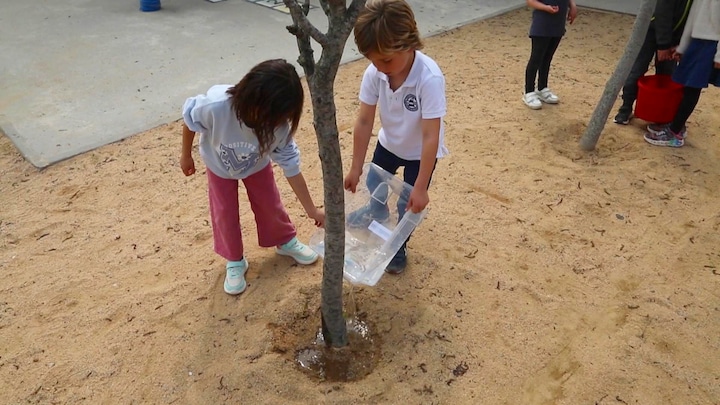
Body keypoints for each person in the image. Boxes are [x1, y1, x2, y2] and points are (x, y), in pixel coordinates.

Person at [180, 59, 325, 296]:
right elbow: (189, 120)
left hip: (257, 165)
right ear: (250, 98)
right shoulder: (216, 106)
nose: (271, 124)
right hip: (219, 166)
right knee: (224, 213)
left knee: (270, 204)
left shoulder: (279, 127)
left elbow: (291, 167)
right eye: (268, 116)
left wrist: (312, 210)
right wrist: (186, 155)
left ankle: (284, 240)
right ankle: (234, 260)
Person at [343, 0, 448, 275]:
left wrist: (421, 188)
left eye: (386, 59)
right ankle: (375, 213)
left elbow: (430, 136)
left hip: (419, 152)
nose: (378, 66)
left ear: (409, 43)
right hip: (389, 142)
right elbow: (365, 120)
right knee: (374, 182)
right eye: (372, 60)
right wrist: (355, 166)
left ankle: (398, 245)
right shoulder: (375, 72)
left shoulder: (429, 79)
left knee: (407, 203)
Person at [644, 0, 720, 147]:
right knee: (685, 84)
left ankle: (674, 134)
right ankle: (677, 124)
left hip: (711, 44)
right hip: (697, 42)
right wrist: (683, 47)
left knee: (692, 87)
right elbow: (692, 18)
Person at [614, 0, 694, 125]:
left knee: (667, 75)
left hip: (674, 37)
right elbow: (663, 14)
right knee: (638, 69)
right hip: (651, 31)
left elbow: (690, 19)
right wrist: (663, 45)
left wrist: (681, 44)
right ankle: (625, 108)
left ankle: (661, 114)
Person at [522, 0, 578, 109]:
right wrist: (545, 7)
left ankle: (542, 87)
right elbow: (530, 1)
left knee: (547, 58)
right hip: (542, 24)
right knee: (536, 58)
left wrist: (572, 5)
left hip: (558, 24)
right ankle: (529, 91)